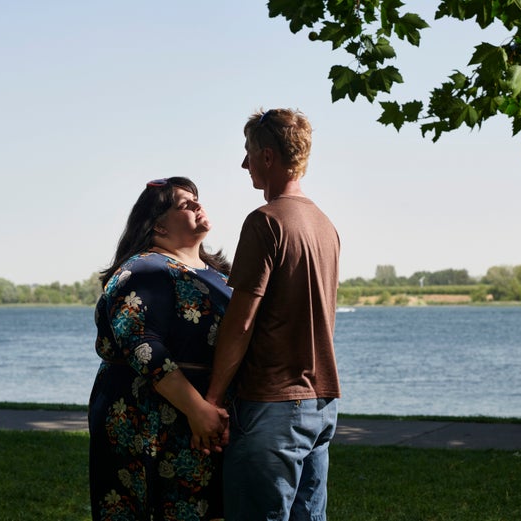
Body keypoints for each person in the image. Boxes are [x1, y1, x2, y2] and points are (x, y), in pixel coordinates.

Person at [202, 108, 342, 521]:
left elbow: (242, 321)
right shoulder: (325, 225)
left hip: (273, 405)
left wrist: (213, 398)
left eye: (248, 153)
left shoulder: (265, 222)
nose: (244, 164)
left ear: (268, 157)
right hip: (320, 404)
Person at [88, 176, 232, 521]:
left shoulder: (222, 276)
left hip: (206, 419)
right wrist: (197, 409)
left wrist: (212, 409)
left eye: (197, 199)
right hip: (146, 419)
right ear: (157, 226)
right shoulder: (143, 271)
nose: (198, 205)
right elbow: (142, 346)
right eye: (185, 204)